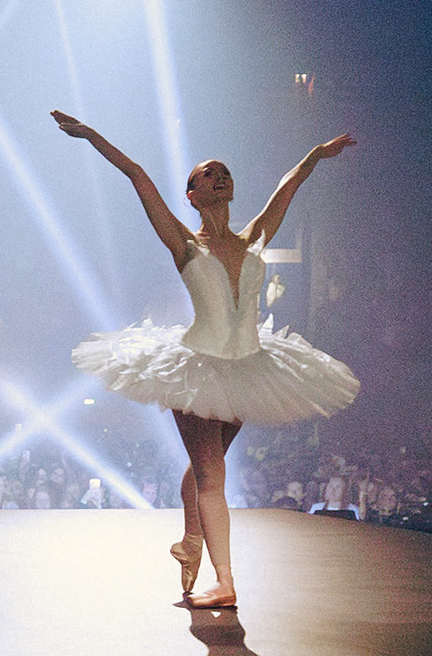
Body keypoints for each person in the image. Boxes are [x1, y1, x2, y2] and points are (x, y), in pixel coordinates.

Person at [50, 114, 360, 608]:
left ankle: (191, 541)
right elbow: (136, 174)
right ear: (192, 195)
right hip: (197, 371)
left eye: (225, 172)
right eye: (207, 173)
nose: (220, 176)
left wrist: (316, 155)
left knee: (203, 469)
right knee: (212, 476)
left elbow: (289, 185)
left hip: (249, 370)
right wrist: (90, 136)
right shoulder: (184, 243)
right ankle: (225, 581)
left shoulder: (254, 237)